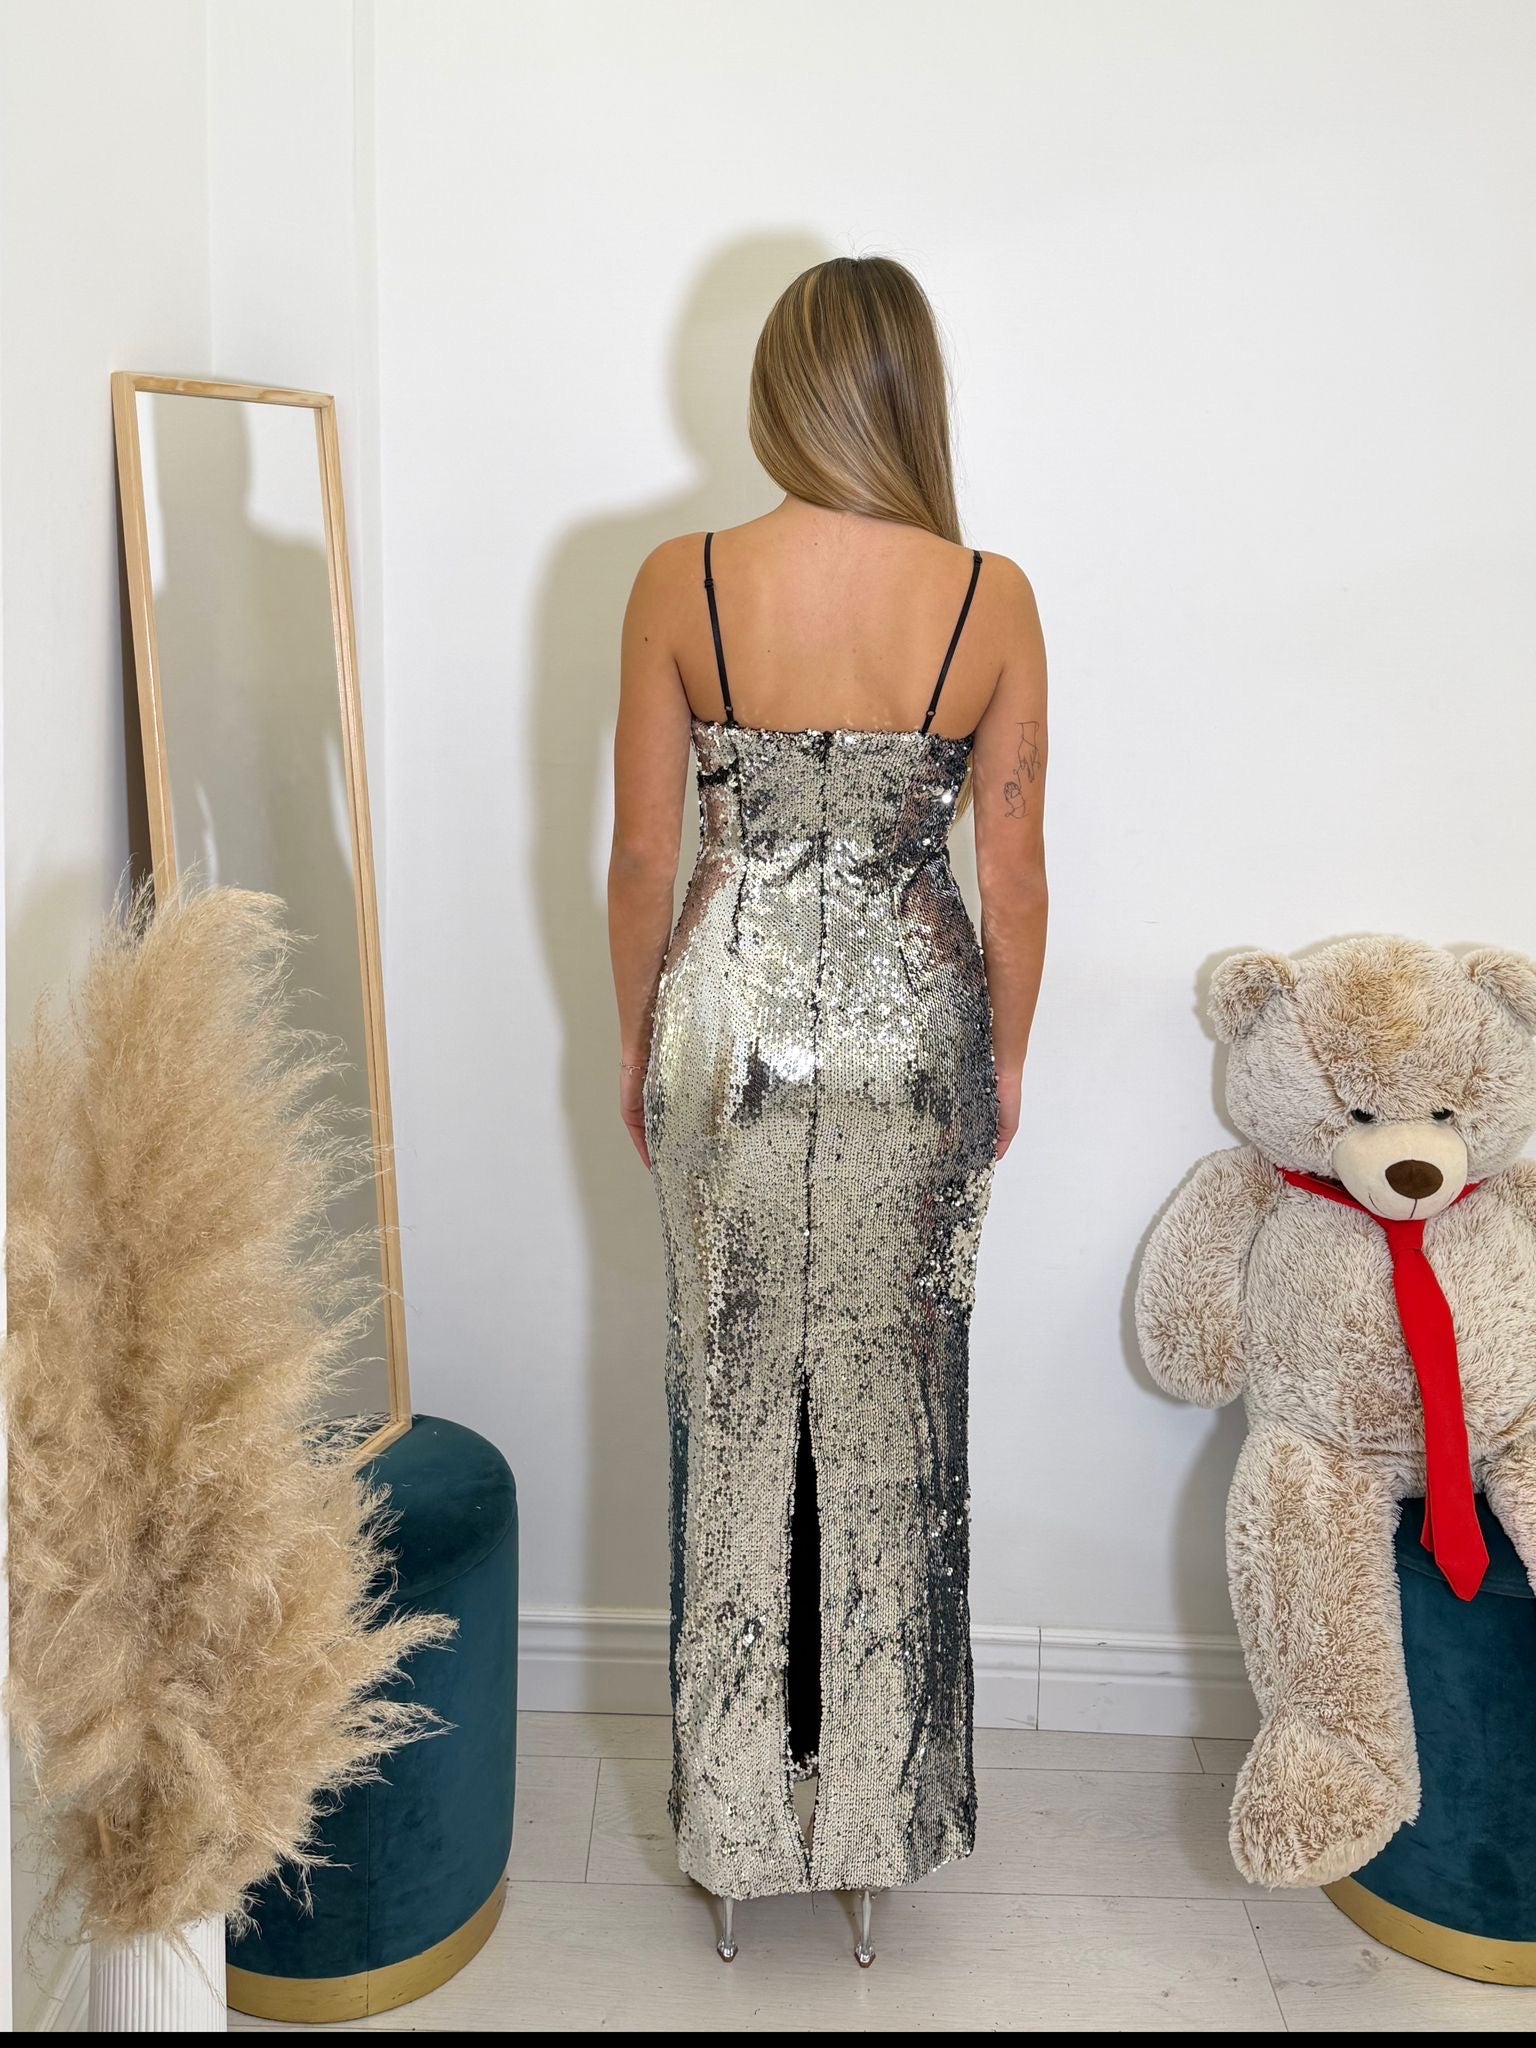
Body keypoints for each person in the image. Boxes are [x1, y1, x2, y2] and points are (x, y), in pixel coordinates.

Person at [606, 255, 1048, 1962]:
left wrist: (637, 1044)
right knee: (893, 1409)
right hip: (917, 1032)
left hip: (724, 1031)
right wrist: (1007, 1060)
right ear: (912, 392)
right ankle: (873, 1829)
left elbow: (645, 857)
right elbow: (1014, 869)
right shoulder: (989, 598)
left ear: (779, 389)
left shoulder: (684, 581)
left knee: (731, 1403)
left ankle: (735, 1832)